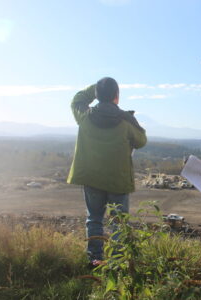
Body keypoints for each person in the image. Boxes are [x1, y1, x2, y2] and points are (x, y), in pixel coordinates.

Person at [67, 77, 147, 267]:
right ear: (116, 96)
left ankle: (95, 259)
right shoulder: (125, 121)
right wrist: (130, 117)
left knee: (94, 218)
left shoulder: (85, 116)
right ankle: (118, 263)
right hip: (117, 180)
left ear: (97, 95)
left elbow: (76, 99)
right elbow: (141, 141)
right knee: (119, 222)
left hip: (91, 177)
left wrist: (98, 89)